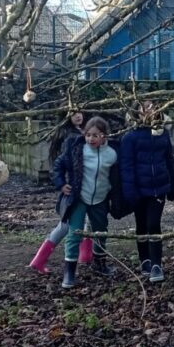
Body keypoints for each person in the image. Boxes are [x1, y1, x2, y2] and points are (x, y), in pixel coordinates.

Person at [42, 117, 118, 289]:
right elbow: (58, 165)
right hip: (79, 198)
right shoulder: (77, 149)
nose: (91, 139)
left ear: (104, 136)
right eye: (88, 135)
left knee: (100, 231)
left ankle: (99, 263)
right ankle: (69, 271)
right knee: (74, 233)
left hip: (100, 198)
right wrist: (61, 184)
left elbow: (119, 174)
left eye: (96, 135)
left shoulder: (112, 154)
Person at [29, 111, 100, 274]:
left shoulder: (81, 133)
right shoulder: (69, 137)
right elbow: (61, 163)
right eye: (73, 113)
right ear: (66, 116)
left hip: (82, 186)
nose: (78, 116)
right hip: (73, 188)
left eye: (79, 112)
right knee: (66, 225)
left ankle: (85, 255)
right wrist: (62, 183)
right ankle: (39, 259)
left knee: (83, 221)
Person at [120, 101, 174, 283]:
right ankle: (144, 259)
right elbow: (126, 167)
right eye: (146, 107)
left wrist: (172, 186)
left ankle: (156, 264)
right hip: (138, 189)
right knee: (142, 226)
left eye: (153, 106)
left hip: (158, 188)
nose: (150, 110)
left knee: (154, 224)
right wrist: (130, 192)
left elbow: (169, 161)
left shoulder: (162, 135)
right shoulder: (130, 138)